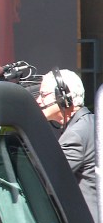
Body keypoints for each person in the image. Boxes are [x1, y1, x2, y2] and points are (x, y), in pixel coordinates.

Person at [37, 69, 97, 215]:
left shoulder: (75, 135)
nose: (38, 100)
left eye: (43, 95)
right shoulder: (93, 122)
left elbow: (46, 184)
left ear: (64, 96)